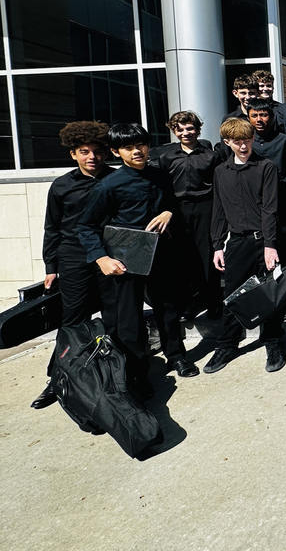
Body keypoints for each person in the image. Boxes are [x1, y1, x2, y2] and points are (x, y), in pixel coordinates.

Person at [77, 123, 195, 397]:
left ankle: (176, 355)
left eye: (140, 145)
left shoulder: (160, 175)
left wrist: (168, 212)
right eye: (128, 148)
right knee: (129, 319)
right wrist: (102, 259)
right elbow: (86, 227)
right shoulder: (108, 185)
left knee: (168, 309)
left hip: (161, 253)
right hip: (125, 259)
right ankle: (136, 372)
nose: (136, 151)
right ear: (117, 152)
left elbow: (173, 205)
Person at [31, 121, 115, 410]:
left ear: (106, 153)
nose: (91, 157)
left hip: (109, 256)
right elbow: (51, 227)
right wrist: (50, 266)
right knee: (72, 321)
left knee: (114, 317)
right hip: (73, 257)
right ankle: (59, 379)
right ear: (73, 155)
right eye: (84, 151)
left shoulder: (117, 180)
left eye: (97, 151)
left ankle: (116, 376)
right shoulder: (62, 186)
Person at [204, 117, 284, 374]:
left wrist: (270, 245)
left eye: (247, 140)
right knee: (232, 296)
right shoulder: (220, 172)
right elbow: (218, 210)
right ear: (227, 142)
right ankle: (227, 344)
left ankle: (272, 342)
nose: (243, 146)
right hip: (236, 242)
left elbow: (270, 208)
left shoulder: (266, 166)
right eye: (237, 142)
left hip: (264, 241)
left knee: (267, 294)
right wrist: (217, 245)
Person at [150, 111, 224, 319]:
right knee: (182, 258)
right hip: (177, 210)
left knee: (207, 256)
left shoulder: (211, 155)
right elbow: (162, 186)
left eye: (190, 128)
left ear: (198, 129)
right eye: (180, 129)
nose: (186, 132)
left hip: (205, 207)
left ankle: (213, 302)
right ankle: (188, 303)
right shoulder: (166, 157)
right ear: (174, 131)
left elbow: (218, 185)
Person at [247, 98, 286, 253]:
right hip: (253, 206)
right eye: (254, 115)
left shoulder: (285, 141)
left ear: (271, 116)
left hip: (281, 203)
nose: (259, 120)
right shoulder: (246, 144)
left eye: (263, 115)